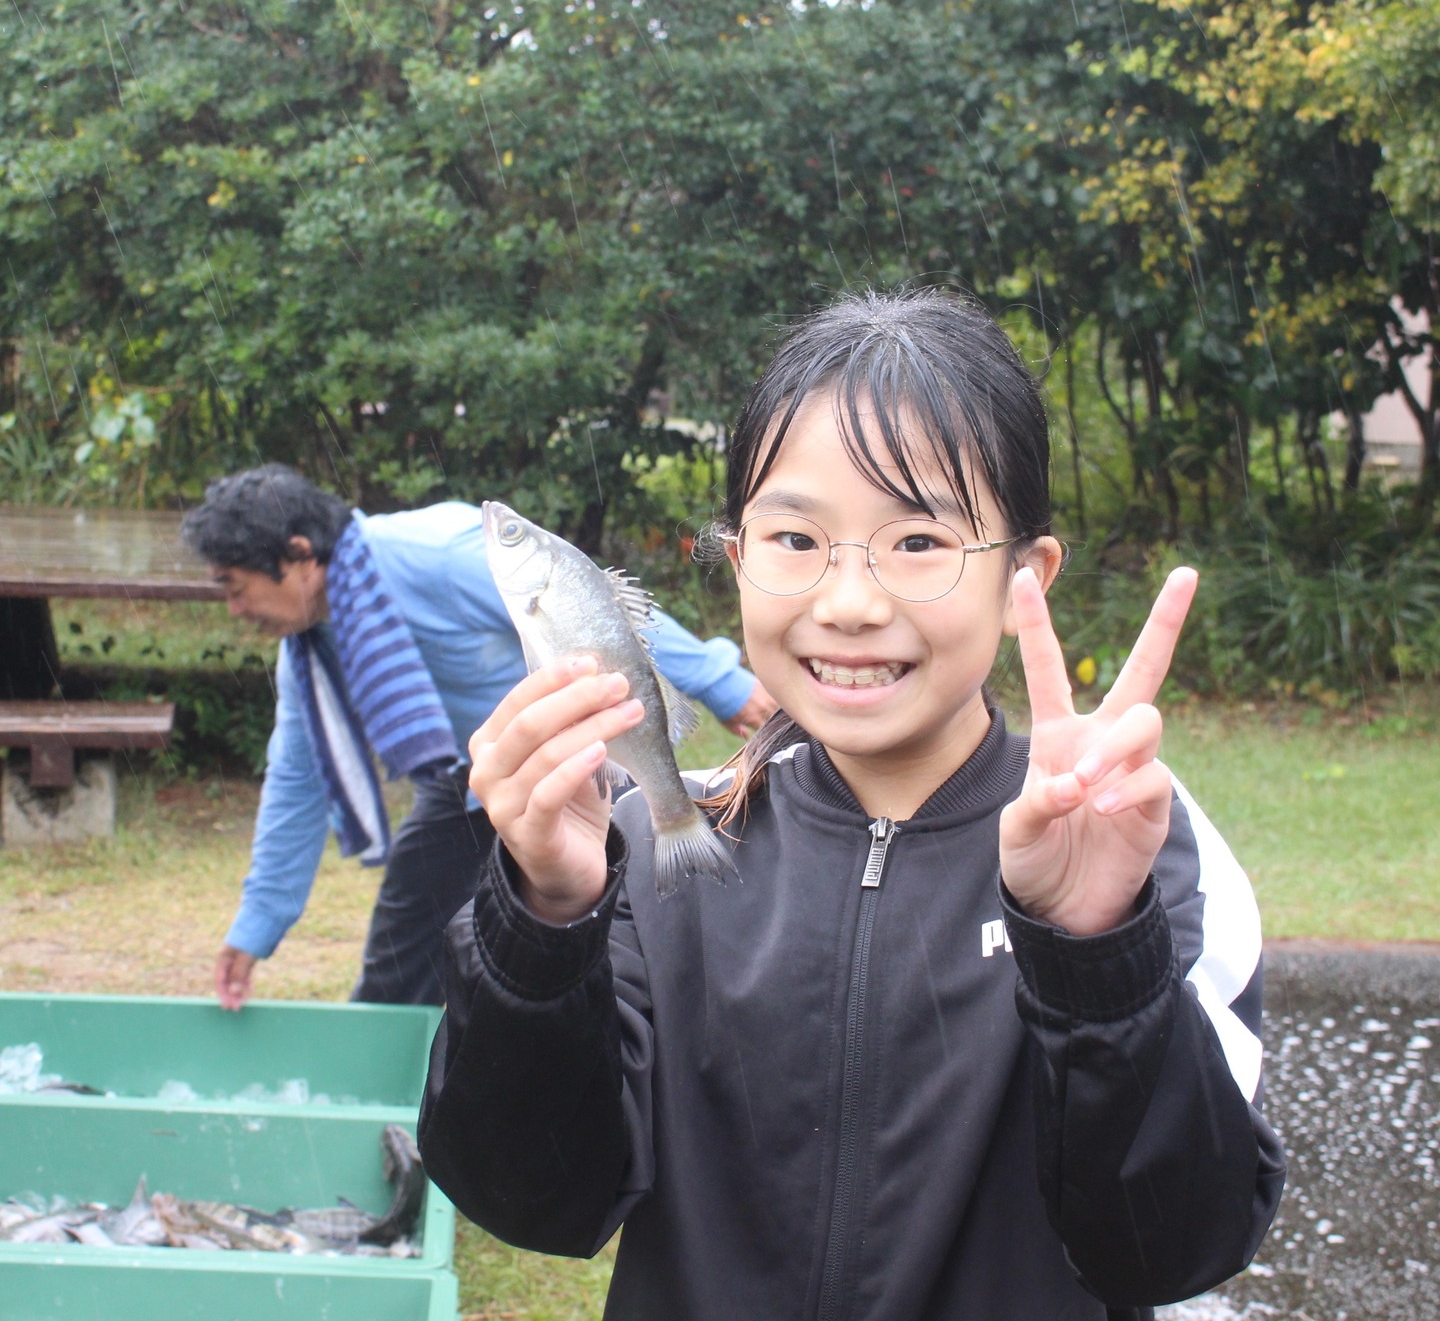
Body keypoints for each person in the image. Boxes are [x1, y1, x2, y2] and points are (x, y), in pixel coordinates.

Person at [417, 289, 1286, 1319]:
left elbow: (1172, 1248)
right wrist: (544, 922)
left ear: (1026, 578)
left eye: (918, 542)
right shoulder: (647, 846)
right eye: (795, 539)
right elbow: (534, 1198)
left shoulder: (1136, 849)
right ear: (738, 560)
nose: (849, 603)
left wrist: (1099, 955)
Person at [180, 467, 775, 1010]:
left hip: (570, 775)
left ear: (299, 555)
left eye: (235, 586)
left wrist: (723, 684)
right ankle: (395, 1079)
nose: (234, 608)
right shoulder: (309, 653)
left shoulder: (440, 555)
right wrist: (256, 927)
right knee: (398, 966)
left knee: (601, 943)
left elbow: (597, 619)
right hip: (464, 785)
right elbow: (297, 779)